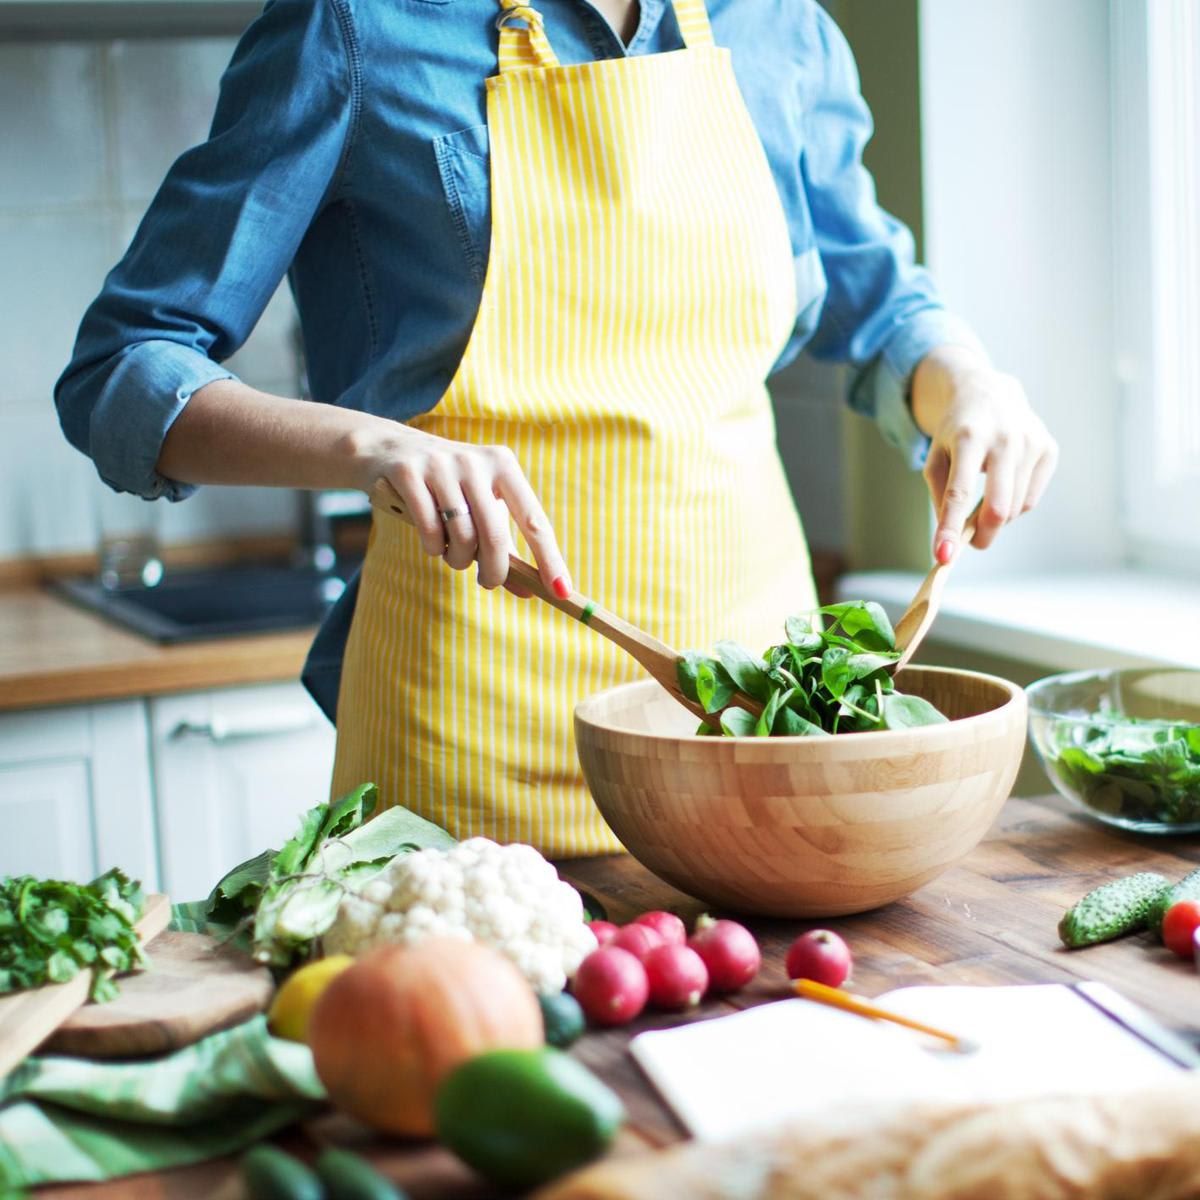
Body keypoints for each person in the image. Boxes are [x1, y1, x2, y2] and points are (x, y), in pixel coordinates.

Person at [56, 0, 1057, 855]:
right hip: (470, 738)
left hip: (758, 725)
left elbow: (877, 301)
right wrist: (369, 447)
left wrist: (967, 383)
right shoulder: (355, 25)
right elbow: (125, 366)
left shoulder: (776, 22)